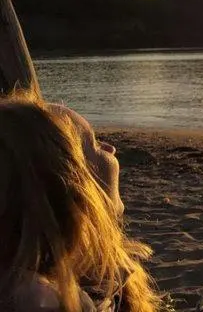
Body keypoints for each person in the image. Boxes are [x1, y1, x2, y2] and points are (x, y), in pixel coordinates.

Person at [0, 92, 158, 312]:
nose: (110, 148)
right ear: (72, 189)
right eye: (94, 142)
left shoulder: (101, 274)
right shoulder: (44, 302)